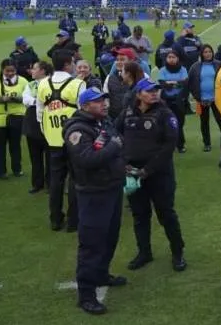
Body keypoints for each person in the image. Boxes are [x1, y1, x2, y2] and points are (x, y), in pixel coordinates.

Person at [63, 87, 128, 316]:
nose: (104, 104)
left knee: (110, 236)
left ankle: (101, 274)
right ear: (85, 106)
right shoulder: (77, 129)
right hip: (93, 193)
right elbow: (87, 159)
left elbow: (117, 142)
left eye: (104, 100)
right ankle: (87, 295)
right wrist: (114, 146)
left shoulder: (103, 122)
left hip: (112, 188)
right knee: (91, 243)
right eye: (98, 101)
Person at [115, 78, 187, 273]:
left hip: (159, 173)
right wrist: (123, 160)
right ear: (139, 94)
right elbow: (115, 133)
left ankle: (178, 252)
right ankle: (144, 252)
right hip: (133, 173)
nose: (154, 93)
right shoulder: (127, 113)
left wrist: (148, 170)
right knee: (140, 215)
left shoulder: (165, 114)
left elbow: (169, 146)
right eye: (149, 90)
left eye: (156, 90)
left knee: (166, 214)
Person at [36, 50, 85, 231]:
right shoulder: (78, 84)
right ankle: (73, 220)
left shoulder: (42, 84)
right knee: (75, 180)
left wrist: (47, 134)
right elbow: (83, 112)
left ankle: (55, 219)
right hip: (74, 139)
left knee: (56, 181)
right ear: (67, 64)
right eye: (72, 62)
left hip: (53, 139)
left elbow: (40, 113)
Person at [0, 59, 27, 179]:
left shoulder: (23, 81)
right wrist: (1, 99)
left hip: (17, 116)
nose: (10, 73)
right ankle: (0, 171)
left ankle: (17, 169)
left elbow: (27, 98)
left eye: (12, 71)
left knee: (15, 144)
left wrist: (16, 99)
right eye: (7, 71)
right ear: (2, 69)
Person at [21, 60, 51, 194]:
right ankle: (37, 183)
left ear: (43, 71)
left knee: (50, 156)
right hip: (32, 122)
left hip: (47, 120)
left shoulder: (51, 83)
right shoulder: (31, 84)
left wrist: (36, 102)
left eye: (34, 68)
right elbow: (25, 99)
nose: (31, 71)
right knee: (35, 156)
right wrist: (37, 101)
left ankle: (51, 183)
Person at [188, 44, 220, 152]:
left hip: (217, 99)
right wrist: (197, 97)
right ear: (201, 54)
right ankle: (207, 143)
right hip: (202, 100)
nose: (208, 54)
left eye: (209, 52)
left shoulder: (218, 64)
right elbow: (191, 83)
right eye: (205, 52)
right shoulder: (195, 67)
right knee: (204, 122)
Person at [157, 49, 189, 153]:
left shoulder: (183, 69)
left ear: (177, 58)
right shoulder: (163, 70)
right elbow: (163, 84)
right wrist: (175, 83)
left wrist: (170, 83)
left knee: (179, 123)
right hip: (166, 101)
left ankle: (180, 145)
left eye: (173, 57)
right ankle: (168, 145)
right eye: (169, 57)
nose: (171, 59)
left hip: (179, 100)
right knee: (166, 123)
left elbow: (184, 83)